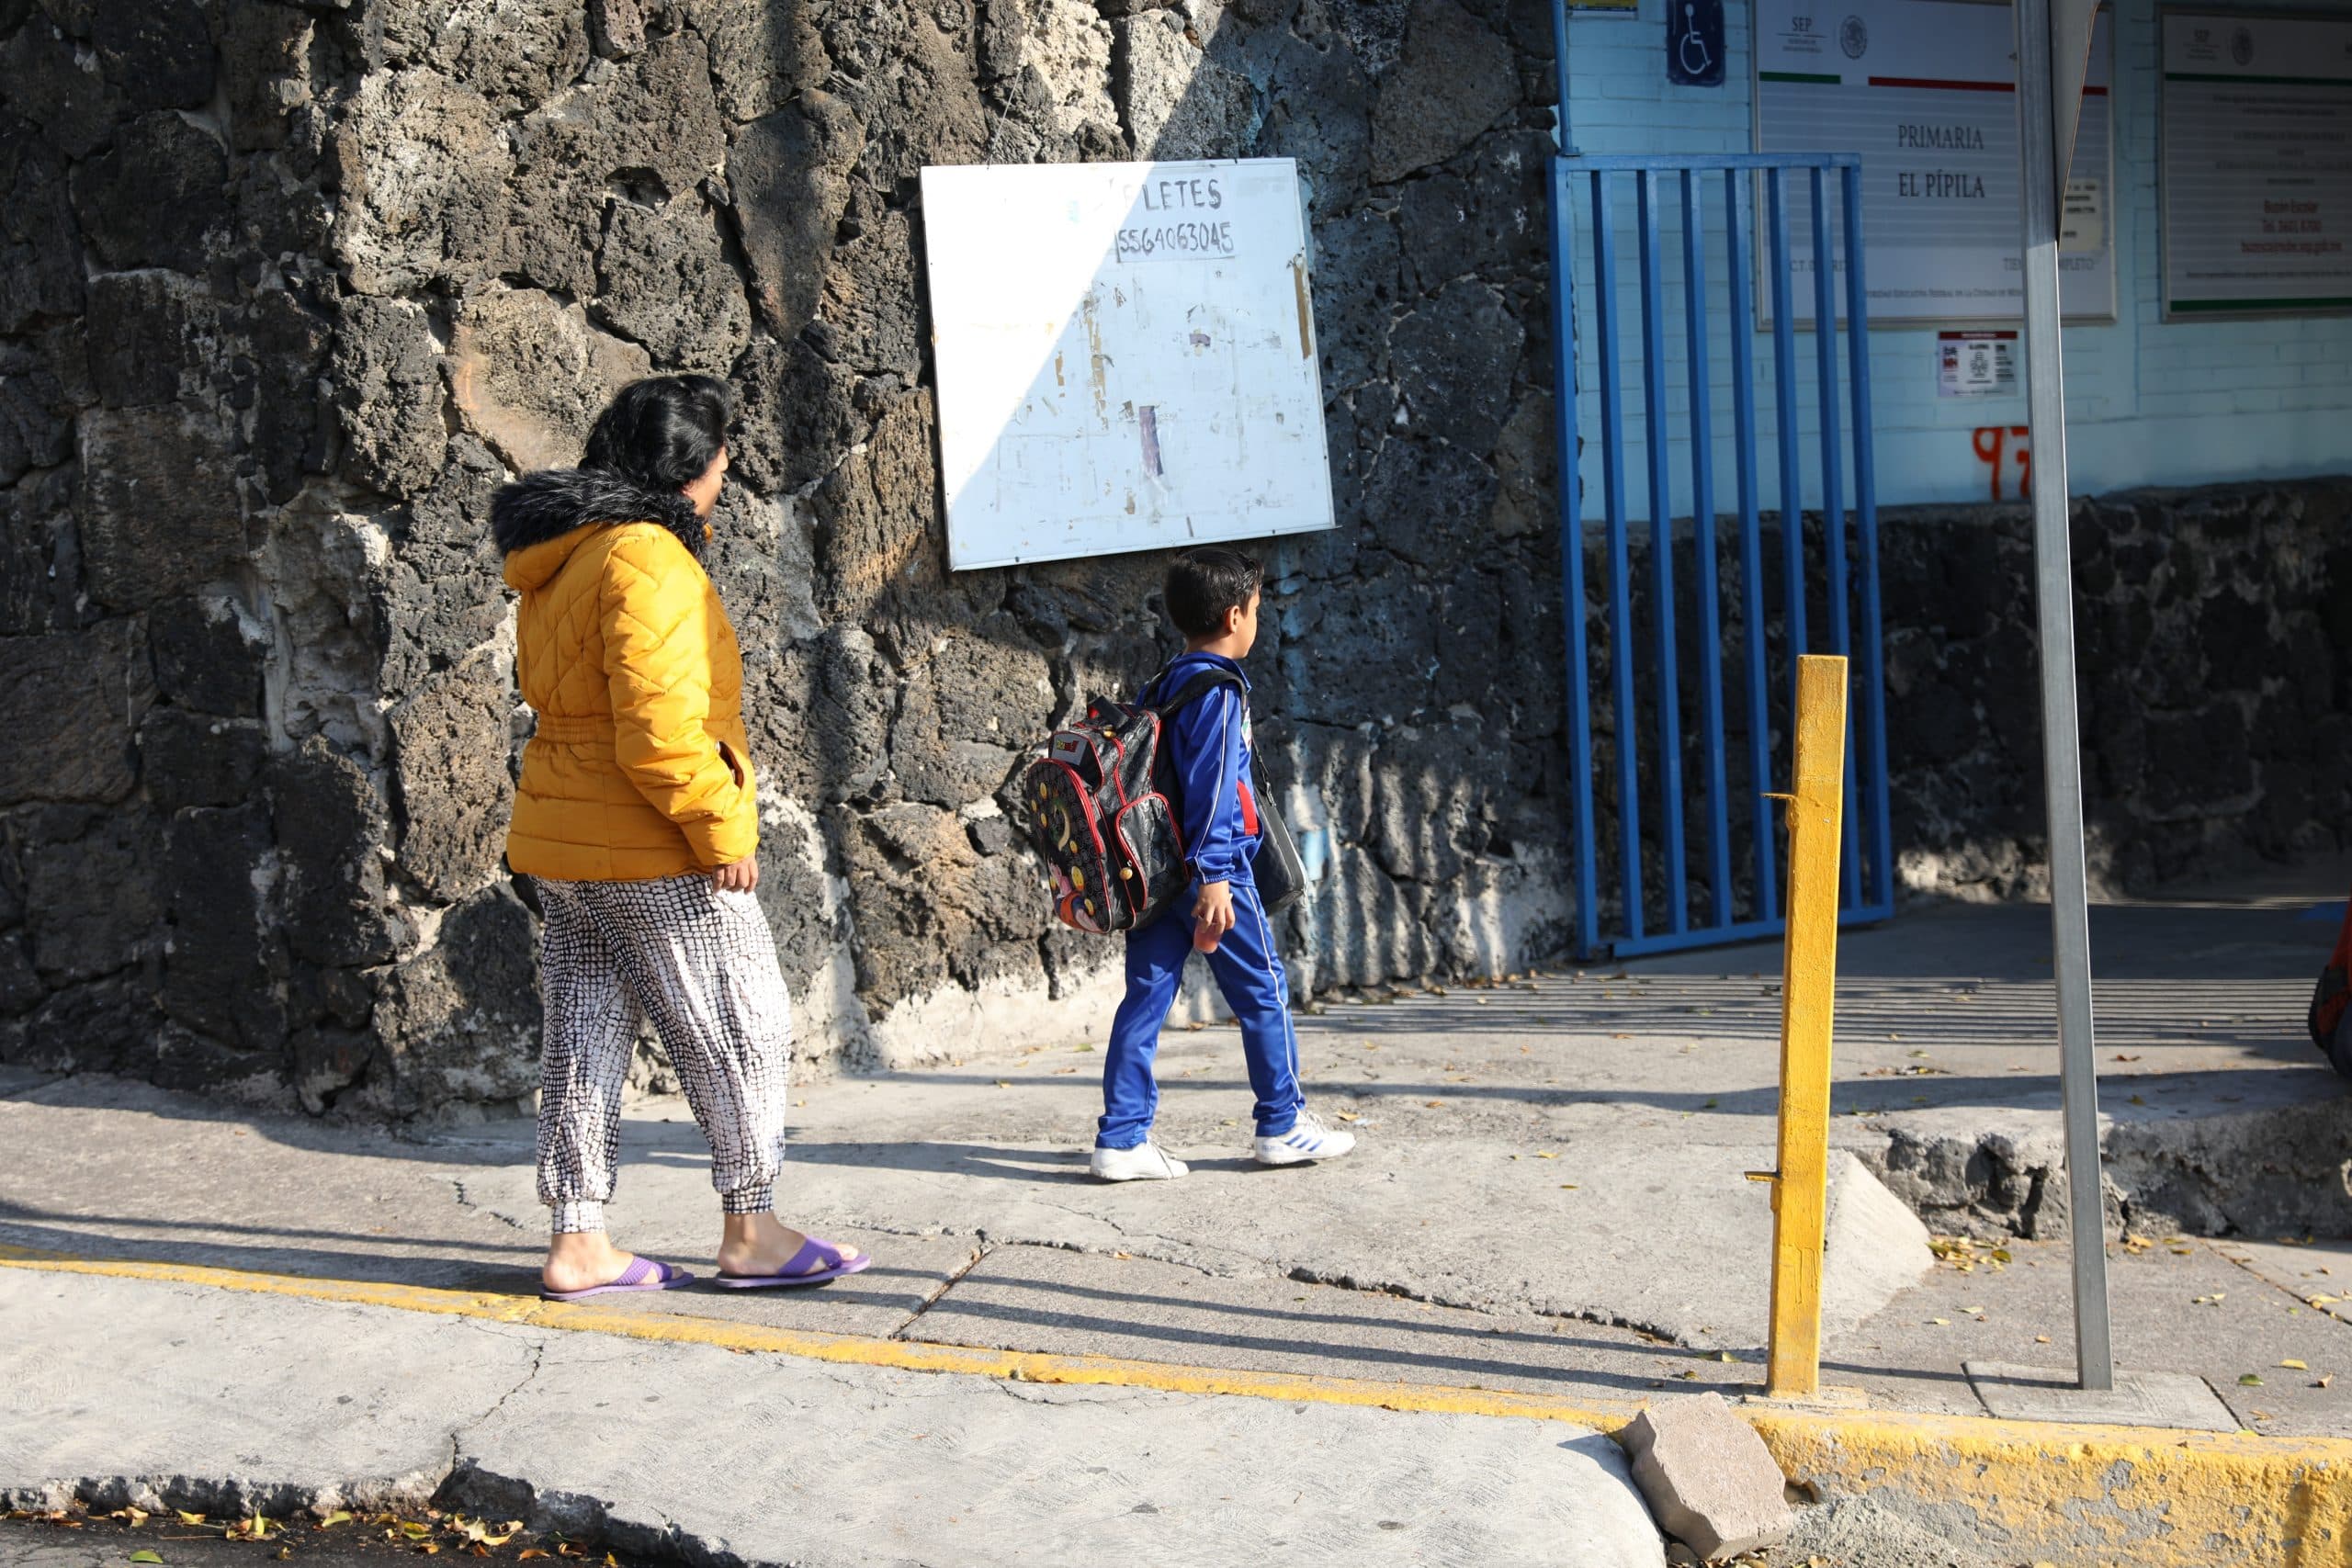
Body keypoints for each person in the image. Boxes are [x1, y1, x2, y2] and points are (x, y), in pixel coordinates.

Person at [491, 374, 869, 1300]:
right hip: (648, 840)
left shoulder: (565, 555)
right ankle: (754, 1230)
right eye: (721, 465)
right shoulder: (647, 556)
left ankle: (579, 1240)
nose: (724, 481)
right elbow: (658, 730)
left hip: (567, 842)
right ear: (688, 469)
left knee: (583, 1037)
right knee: (743, 1022)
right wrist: (720, 825)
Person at [1090, 546, 1356, 1180]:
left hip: (1159, 870)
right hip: (1213, 871)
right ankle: (1283, 1123)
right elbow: (1211, 789)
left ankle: (1121, 1139)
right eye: (1256, 608)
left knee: (1145, 998)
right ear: (1236, 615)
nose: (1255, 619)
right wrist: (1214, 876)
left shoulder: (1166, 682)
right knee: (1263, 989)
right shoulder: (1218, 690)